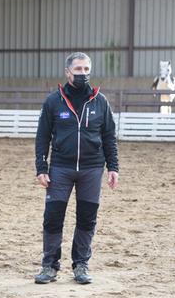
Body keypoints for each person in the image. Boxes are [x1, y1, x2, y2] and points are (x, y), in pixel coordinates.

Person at [34, 52, 119, 285]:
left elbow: (109, 136)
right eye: (78, 69)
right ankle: (49, 266)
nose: (83, 73)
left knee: (87, 218)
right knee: (52, 217)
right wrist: (41, 166)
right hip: (60, 168)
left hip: (92, 170)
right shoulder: (53, 101)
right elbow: (42, 136)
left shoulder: (100, 101)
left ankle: (81, 264)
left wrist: (113, 167)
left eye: (86, 69)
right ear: (67, 72)